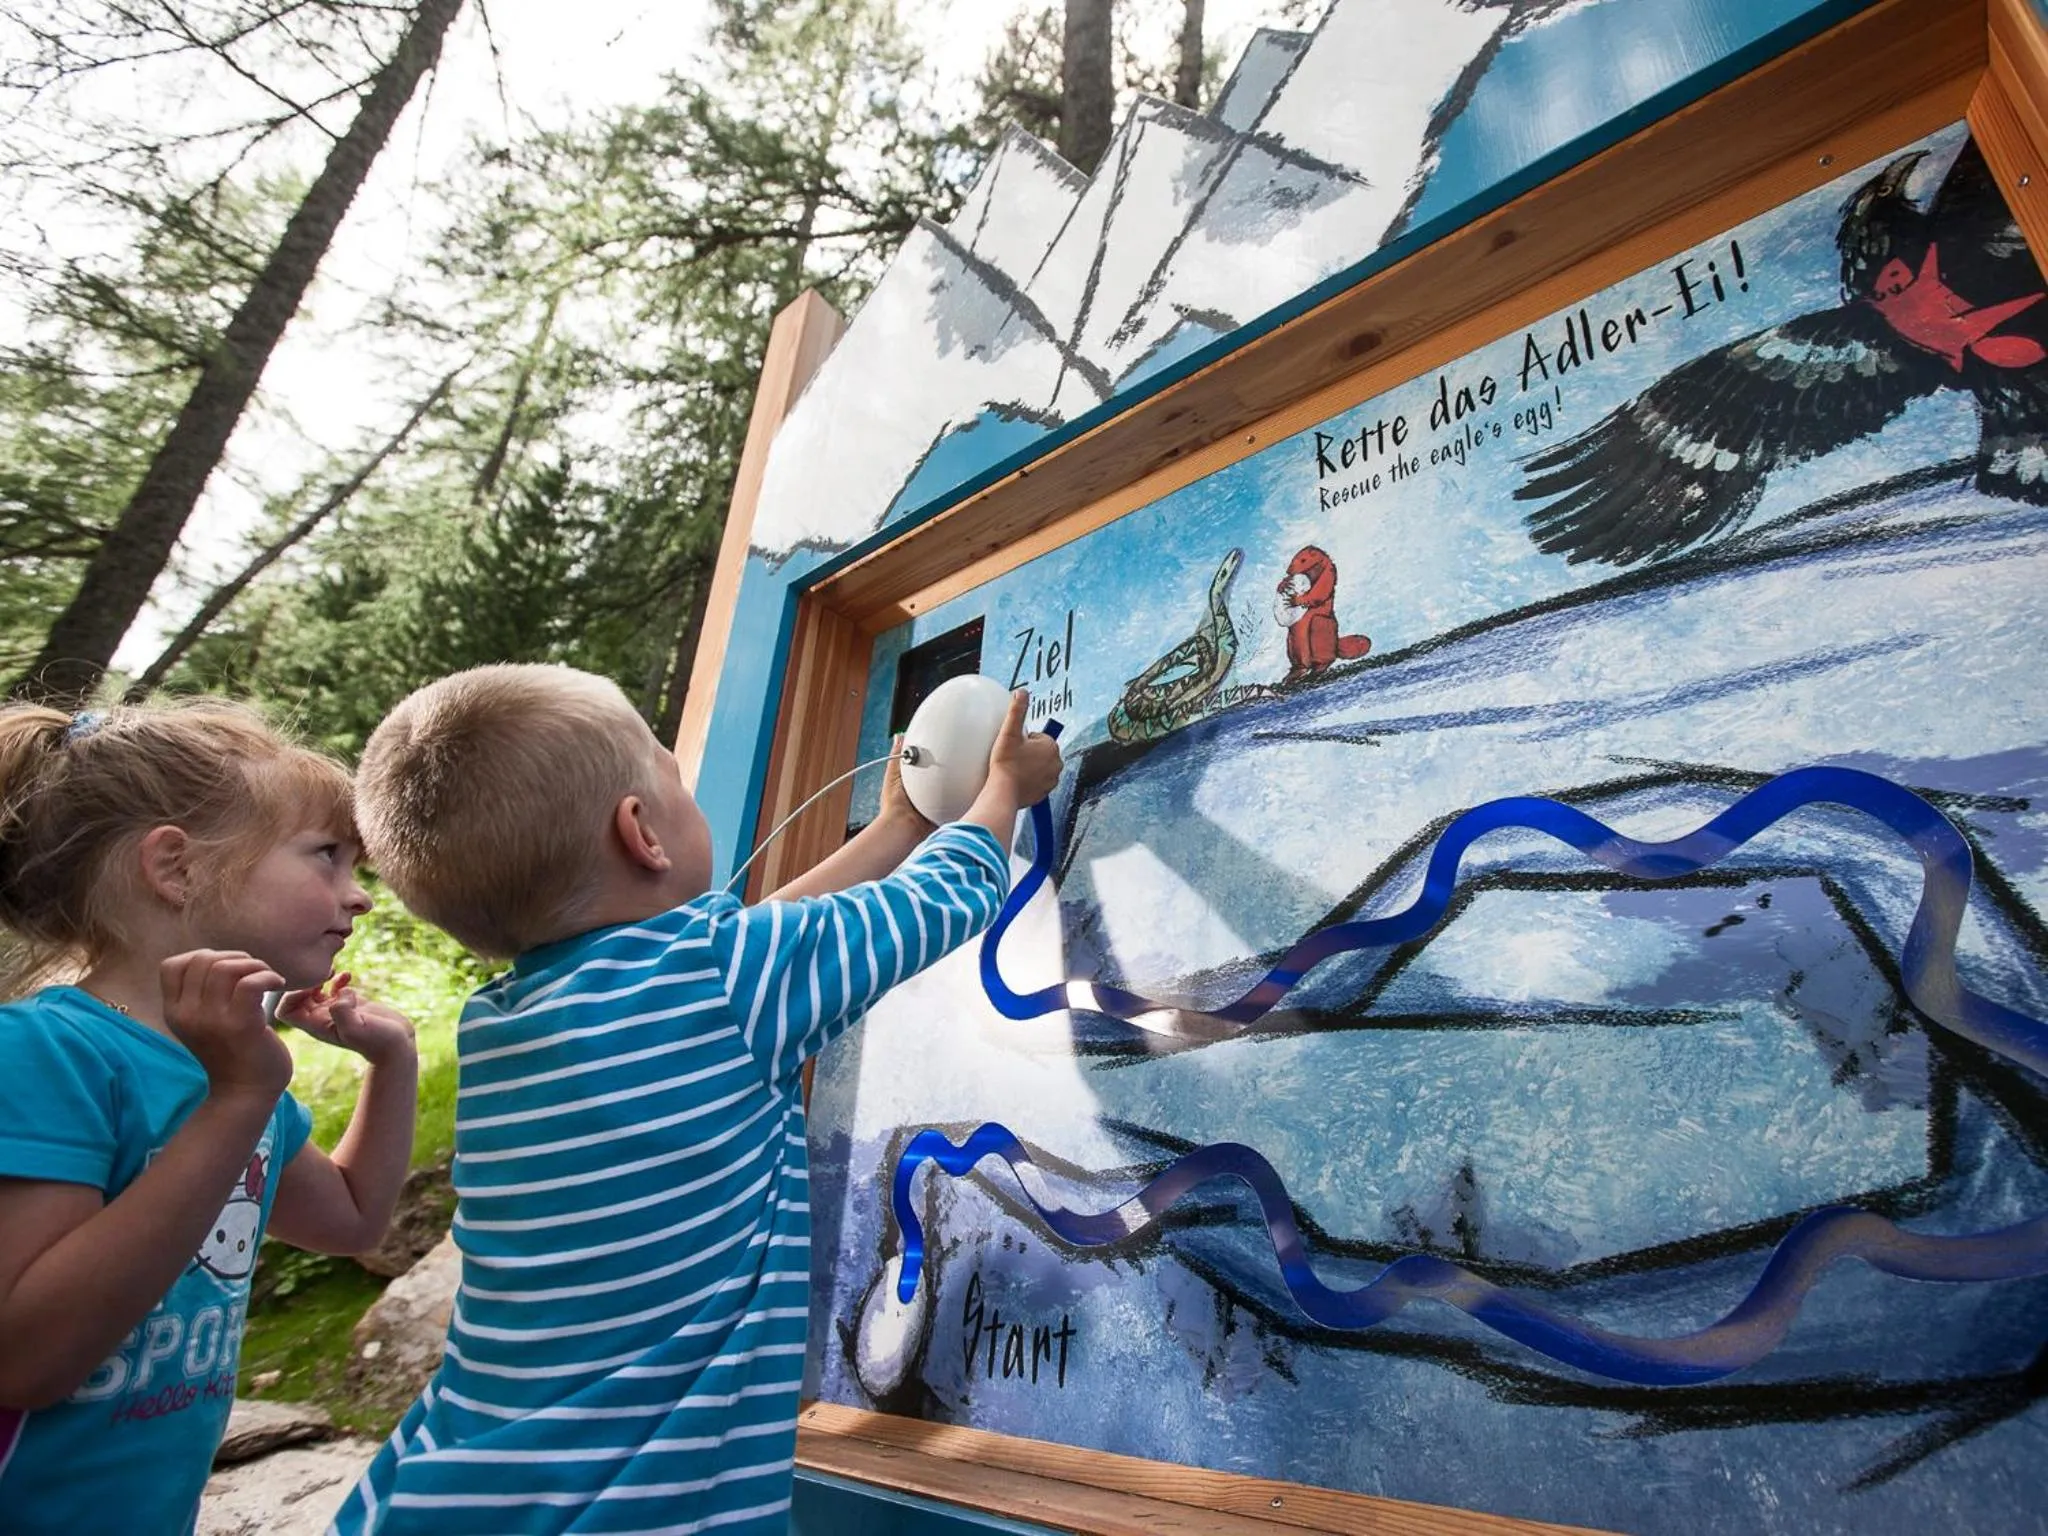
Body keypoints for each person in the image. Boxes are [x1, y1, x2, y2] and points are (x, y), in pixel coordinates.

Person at [329, 662, 1061, 1535]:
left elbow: (757, 951)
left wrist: (898, 825)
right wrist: (1004, 789)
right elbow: (945, 896)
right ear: (642, 833)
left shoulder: (500, 1027)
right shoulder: (728, 982)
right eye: (675, 778)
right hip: (641, 1510)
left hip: (457, 1486)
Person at [0, 699, 420, 1535]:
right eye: (327, 856)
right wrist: (236, 1099)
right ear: (176, 868)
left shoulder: (226, 1064)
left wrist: (394, 1062)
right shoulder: (46, 1052)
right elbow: (26, 1360)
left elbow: (351, 1220)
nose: (359, 898)